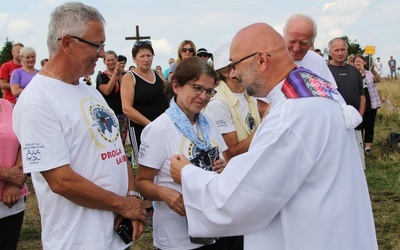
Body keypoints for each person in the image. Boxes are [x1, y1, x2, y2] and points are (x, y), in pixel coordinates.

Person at [170, 23, 378, 250]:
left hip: (312, 237)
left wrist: (188, 175)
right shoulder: (314, 89)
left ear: (261, 60)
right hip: (334, 226)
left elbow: (244, 196)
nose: (234, 73)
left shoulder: (292, 114)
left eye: (235, 64)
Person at [12, 3, 146, 249]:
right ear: (67, 43)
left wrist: (132, 195)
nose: (102, 54)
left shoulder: (90, 92)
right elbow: (61, 181)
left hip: (116, 235)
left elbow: (117, 152)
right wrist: (123, 204)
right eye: (97, 45)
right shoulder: (37, 100)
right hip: (79, 240)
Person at [136, 56, 228, 250]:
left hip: (213, 228)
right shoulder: (159, 129)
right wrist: (163, 193)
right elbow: (142, 182)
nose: (203, 96)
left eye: (209, 91)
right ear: (176, 86)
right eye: (197, 87)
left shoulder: (208, 123)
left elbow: (223, 159)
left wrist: (223, 167)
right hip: (178, 238)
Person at [121, 40, 169, 228]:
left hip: (162, 128)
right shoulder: (129, 78)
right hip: (141, 129)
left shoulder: (157, 74)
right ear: (135, 58)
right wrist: (150, 125)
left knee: (162, 163)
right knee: (146, 167)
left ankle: (160, 200)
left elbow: (167, 97)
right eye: (142, 56)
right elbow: (126, 108)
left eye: (149, 55)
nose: (146, 59)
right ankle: (147, 208)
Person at [328, 37, 366, 169]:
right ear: (330, 52)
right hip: (333, 126)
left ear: (347, 50)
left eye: (343, 49)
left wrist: (359, 118)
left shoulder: (355, 71)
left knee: (357, 162)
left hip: (354, 125)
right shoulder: (324, 71)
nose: (340, 53)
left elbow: (362, 96)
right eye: (336, 50)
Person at [0, 98, 29, 250]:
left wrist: (14, 182)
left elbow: (25, 143)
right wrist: (7, 175)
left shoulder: (8, 106)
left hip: (12, 197)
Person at [282, 14, 337, 88]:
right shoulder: (269, 61)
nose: (296, 48)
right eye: (292, 41)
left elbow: (331, 93)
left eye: (303, 43)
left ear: (312, 42)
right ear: (283, 37)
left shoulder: (318, 61)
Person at [96, 50, 128, 145]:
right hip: (107, 115)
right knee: (109, 141)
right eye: (108, 60)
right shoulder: (101, 76)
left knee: (121, 141)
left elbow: (125, 90)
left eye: (113, 60)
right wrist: (114, 75)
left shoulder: (125, 75)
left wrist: (120, 74)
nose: (111, 62)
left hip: (123, 113)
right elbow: (106, 91)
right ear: (104, 62)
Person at [354, 54, 382, 155]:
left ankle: (367, 148)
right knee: (359, 125)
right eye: (356, 61)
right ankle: (359, 146)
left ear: (365, 63)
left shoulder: (370, 73)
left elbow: (378, 80)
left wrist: (373, 71)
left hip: (371, 102)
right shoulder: (352, 74)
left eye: (360, 61)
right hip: (358, 104)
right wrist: (360, 73)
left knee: (369, 125)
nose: (358, 63)